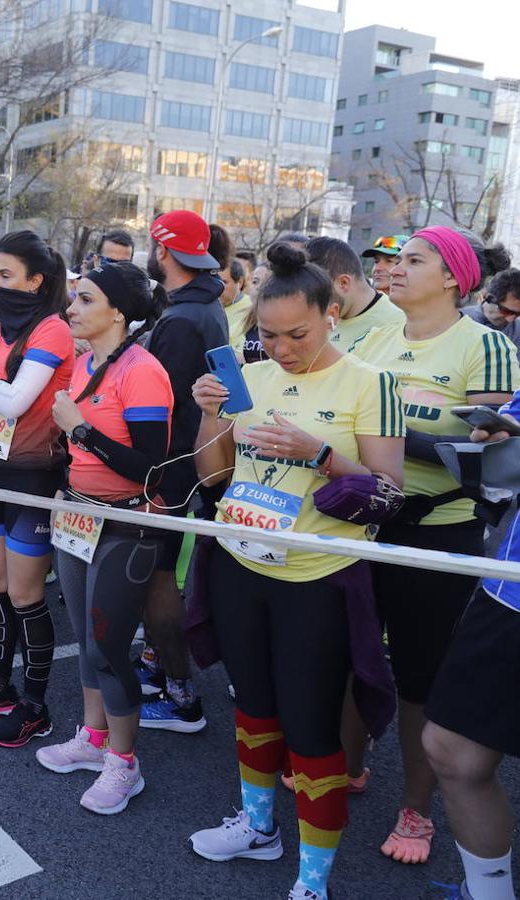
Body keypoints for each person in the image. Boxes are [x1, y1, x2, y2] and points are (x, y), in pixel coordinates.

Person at [187, 242, 405, 900]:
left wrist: (323, 457)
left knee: (311, 730)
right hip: (240, 563)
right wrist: (208, 411)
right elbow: (214, 477)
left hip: (318, 577)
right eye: (267, 335)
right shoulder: (251, 378)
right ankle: (258, 829)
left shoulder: (372, 382)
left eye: (297, 335)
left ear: (331, 313)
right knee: (253, 710)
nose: (281, 348)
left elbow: (392, 495)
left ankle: (314, 880)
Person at [351, 227, 515, 866]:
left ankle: (416, 810)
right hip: (364, 516)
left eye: (412, 260)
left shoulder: (487, 345)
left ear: (453, 276)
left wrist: (392, 441)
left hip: (439, 529)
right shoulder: (376, 335)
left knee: (419, 677)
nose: (394, 270)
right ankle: (349, 769)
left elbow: (493, 460)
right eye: (394, 261)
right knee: (352, 656)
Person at [38, 257, 170, 815]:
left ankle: (125, 764)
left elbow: (150, 470)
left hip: (127, 521)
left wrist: (81, 431)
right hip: (77, 515)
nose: (72, 307)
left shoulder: (141, 369)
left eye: (86, 299)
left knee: (109, 646)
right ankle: (93, 741)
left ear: (118, 310)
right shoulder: (87, 361)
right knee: (84, 640)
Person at [0, 230, 75, 748]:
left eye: (5, 275)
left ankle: (35, 704)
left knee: (26, 595)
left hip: (33, 474)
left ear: (35, 280)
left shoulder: (53, 330)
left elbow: (15, 404)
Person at [423, 396, 520, 900]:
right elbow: (510, 438)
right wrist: (501, 444)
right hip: (509, 590)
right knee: (454, 751)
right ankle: (489, 893)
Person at [135, 209, 227, 734]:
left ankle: (180, 693)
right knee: (160, 574)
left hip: (168, 465)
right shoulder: (204, 305)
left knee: (157, 579)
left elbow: (157, 403)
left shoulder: (182, 318)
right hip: (189, 458)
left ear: (164, 251)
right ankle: (157, 667)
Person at [306, 236, 405, 352]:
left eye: (389, 261)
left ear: (343, 283)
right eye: (376, 261)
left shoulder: (398, 325)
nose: (378, 268)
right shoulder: (317, 321)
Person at [464, 268, 520, 346]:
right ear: (489, 298)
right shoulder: (456, 319)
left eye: (517, 314)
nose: (510, 320)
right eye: (506, 311)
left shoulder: (517, 331)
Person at [221, 259, 251, 350]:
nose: (217, 286)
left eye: (224, 282)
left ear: (240, 282)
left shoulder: (252, 309)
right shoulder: (206, 307)